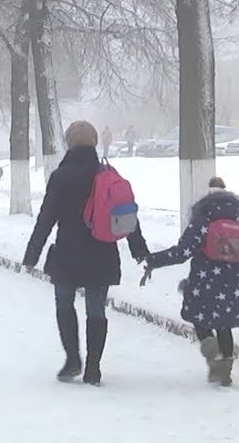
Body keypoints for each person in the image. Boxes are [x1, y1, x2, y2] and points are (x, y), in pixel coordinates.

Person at [23, 120, 148, 387]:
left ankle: (72, 360)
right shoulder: (106, 174)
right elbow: (126, 214)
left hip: (68, 254)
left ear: (69, 144)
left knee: (64, 306)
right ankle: (93, 368)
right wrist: (140, 250)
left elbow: (46, 218)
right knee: (96, 311)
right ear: (94, 143)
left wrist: (32, 254)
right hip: (102, 254)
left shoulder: (60, 177)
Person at [142, 176, 239, 386]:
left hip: (203, 285)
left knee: (200, 321)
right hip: (231, 286)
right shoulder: (238, 226)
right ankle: (225, 370)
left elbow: (182, 252)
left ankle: (214, 357)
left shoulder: (201, 223)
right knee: (224, 326)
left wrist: (154, 260)